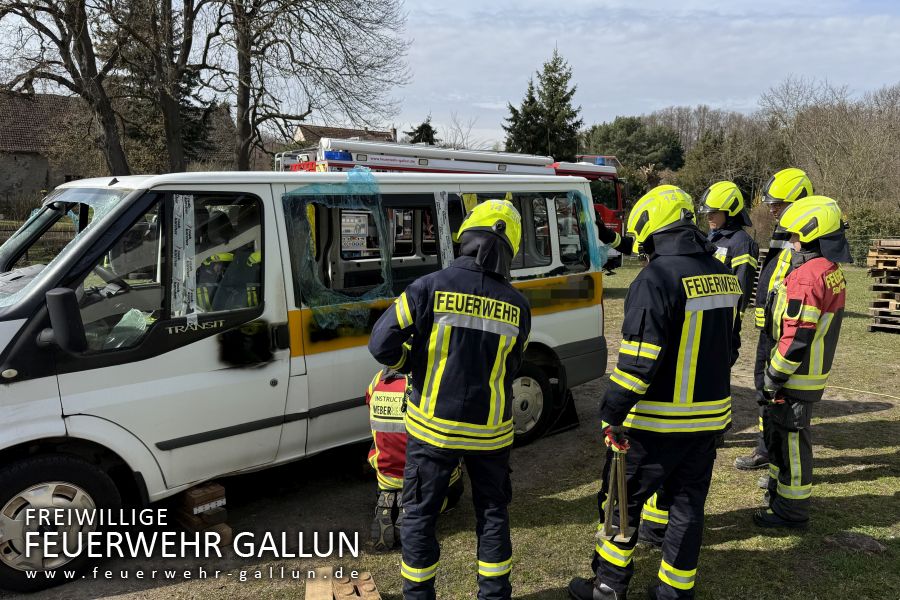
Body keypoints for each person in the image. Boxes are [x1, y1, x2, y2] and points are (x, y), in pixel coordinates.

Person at [568, 185, 741, 600]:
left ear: (649, 226)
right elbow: (730, 348)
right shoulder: (723, 274)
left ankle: (608, 587)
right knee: (686, 507)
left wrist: (610, 412)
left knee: (620, 506)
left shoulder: (655, 278)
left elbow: (637, 364)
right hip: (708, 420)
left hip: (653, 424)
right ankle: (674, 593)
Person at [368, 199, 531, 600]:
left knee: (420, 516)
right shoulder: (518, 305)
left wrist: (412, 363)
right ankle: (494, 595)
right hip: (491, 432)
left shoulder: (428, 286)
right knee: (492, 514)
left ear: (466, 236)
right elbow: (512, 365)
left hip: (432, 428)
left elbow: (380, 343)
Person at [754, 196, 850, 528]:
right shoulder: (830, 270)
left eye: (795, 237)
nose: (791, 243)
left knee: (792, 443)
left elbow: (796, 338)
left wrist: (772, 377)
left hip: (794, 379)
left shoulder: (807, 277)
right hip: (810, 375)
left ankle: (790, 511)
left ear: (812, 236)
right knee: (785, 439)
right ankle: (779, 496)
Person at [735, 168, 814, 472]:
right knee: (761, 387)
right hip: (769, 327)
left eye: (777, 204)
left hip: (787, 329)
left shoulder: (806, 237)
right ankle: (765, 447)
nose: (771, 209)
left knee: (779, 392)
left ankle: (776, 455)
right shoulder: (784, 230)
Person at [365, 368, 464, 551]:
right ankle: (414, 510)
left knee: (381, 441)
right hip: (417, 473)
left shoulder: (377, 379)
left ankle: (390, 501)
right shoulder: (429, 381)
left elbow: (369, 405)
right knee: (454, 478)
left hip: (385, 472)